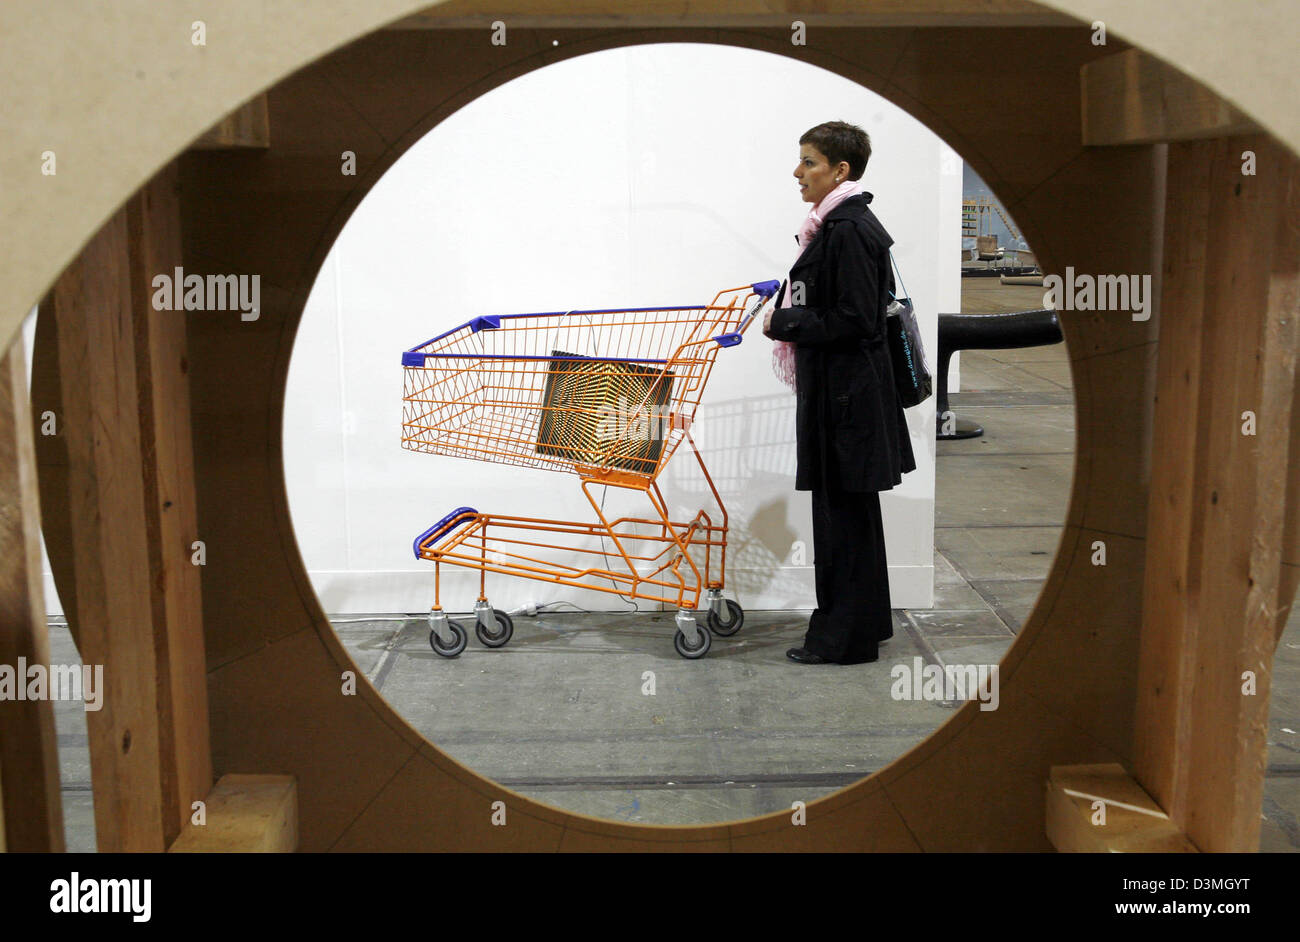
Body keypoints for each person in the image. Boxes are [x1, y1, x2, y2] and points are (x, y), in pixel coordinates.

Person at [762, 121, 916, 665]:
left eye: (809, 162)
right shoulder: (840, 224)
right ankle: (863, 628)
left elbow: (854, 319)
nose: (798, 172)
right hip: (849, 395)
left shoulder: (846, 229)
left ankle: (842, 641)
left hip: (846, 402)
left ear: (839, 170)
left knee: (840, 521)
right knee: (852, 516)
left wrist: (784, 323)